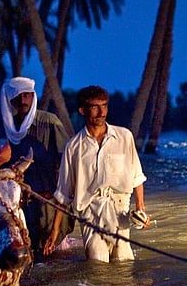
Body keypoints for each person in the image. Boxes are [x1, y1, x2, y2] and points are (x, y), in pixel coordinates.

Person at [43, 85, 151, 262]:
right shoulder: (73, 147)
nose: (102, 112)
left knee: (124, 261)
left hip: (120, 209)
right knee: (97, 261)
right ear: (83, 110)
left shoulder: (125, 137)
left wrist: (140, 208)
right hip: (90, 212)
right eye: (95, 107)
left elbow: (136, 176)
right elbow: (63, 194)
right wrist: (54, 232)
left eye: (105, 105)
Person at [0, 76, 72, 260]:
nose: (23, 100)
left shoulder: (50, 122)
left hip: (50, 204)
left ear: (33, 97)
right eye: (18, 96)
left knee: (56, 260)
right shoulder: (11, 128)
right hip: (24, 206)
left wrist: (58, 196)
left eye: (27, 95)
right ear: (10, 100)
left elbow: (68, 164)